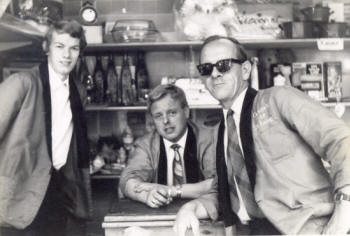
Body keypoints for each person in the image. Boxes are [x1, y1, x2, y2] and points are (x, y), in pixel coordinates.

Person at [173, 35, 350, 235]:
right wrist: (189, 208)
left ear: (246, 69)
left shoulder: (279, 99)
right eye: (206, 68)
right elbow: (226, 194)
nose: (214, 73)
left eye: (223, 65)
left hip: (310, 229)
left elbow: (341, 139)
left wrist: (345, 210)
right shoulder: (221, 130)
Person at [0, 20, 92, 236]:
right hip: (17, 196)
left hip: (57, 192)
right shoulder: (22, 83)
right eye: (59, 46)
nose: (66, 55)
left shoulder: (78, 91)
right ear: (47, 48)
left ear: (80, 53)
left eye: (74, 48)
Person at [120, 84, 216, 208]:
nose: (165, 121)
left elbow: (217, 183)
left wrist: (171, 191)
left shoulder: (207, 139)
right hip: (160, 215)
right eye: (158, 116)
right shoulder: (146, 145)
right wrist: (146, 196)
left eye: (171, 113)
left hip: (201, 213)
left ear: (186, 112)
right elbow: (127, 180)